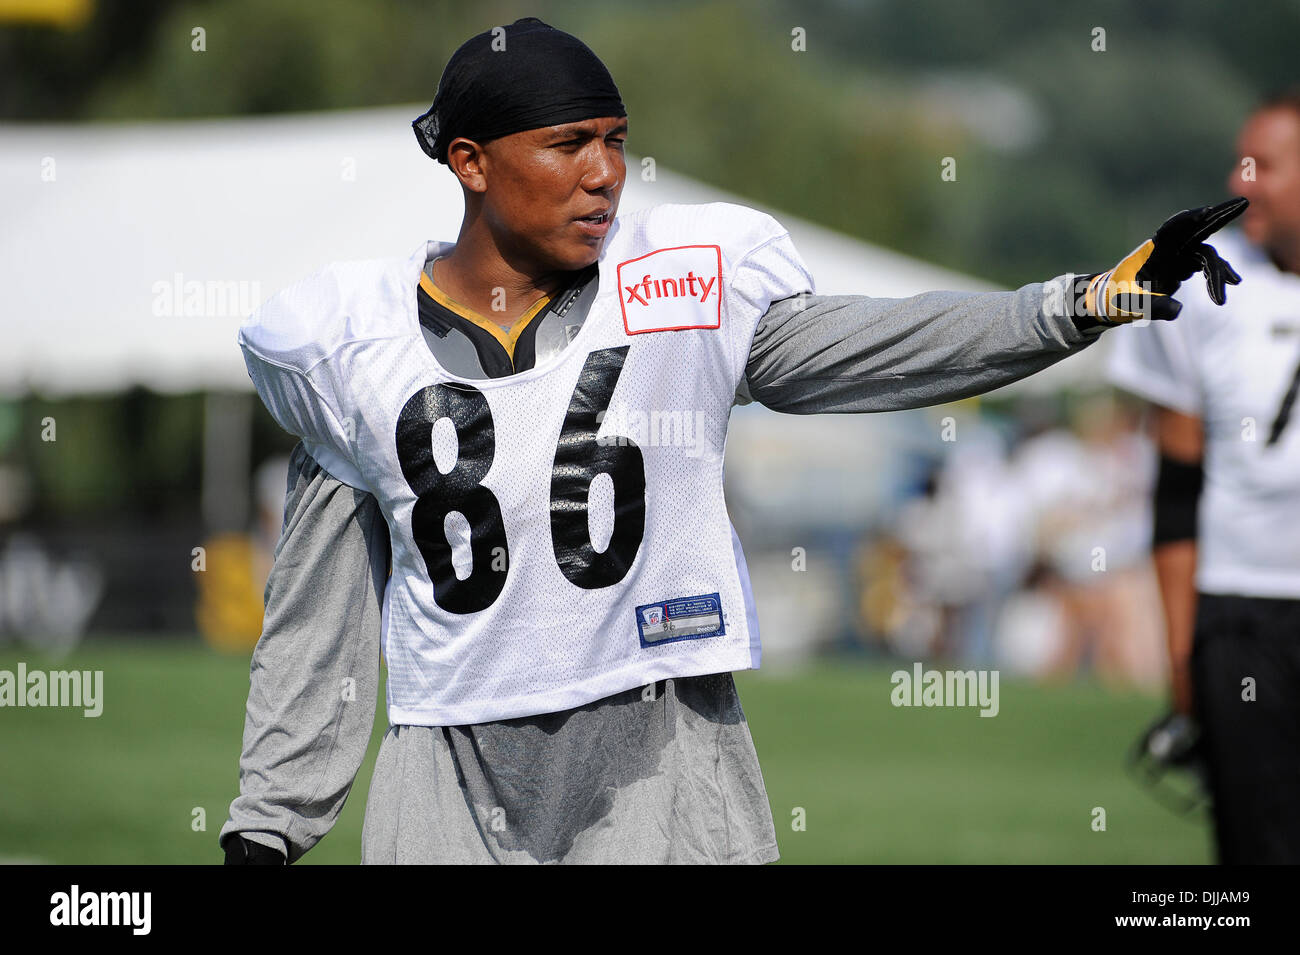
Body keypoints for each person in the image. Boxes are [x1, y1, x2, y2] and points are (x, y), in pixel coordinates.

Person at [220, 16, 1245, 864]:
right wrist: (269, 823)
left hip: (658, 743)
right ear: (471, 162)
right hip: (447, 756)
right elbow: (319, 608)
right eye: (568, 142)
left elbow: (880, 344)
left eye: (615, 139)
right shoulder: (347, 338)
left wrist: (1075, 305)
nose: (605, 174)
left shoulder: (681, 281)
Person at [1108, 89, 1300, 864]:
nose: (1242, 180)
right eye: (1240, 160)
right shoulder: (1203, 287)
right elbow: (1176, 493)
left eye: (1270, 165)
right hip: (1243, 611)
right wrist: (1184, 655)